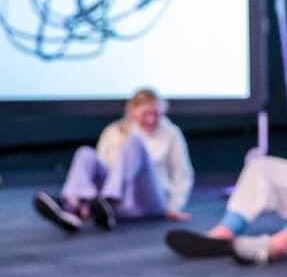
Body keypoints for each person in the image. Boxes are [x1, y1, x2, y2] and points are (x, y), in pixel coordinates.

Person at [33, 88, 194, 233]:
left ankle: (108, 201)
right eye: (146, 114)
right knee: (85, 153)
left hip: (150, 200)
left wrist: (174, 206)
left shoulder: (170, 133)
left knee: (133, 143)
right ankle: (73, 205)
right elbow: (101, 170)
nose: (151, 120)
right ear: (131, 112)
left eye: (157, 114)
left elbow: (182, 173)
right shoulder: (113, 130)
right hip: (121, 204)